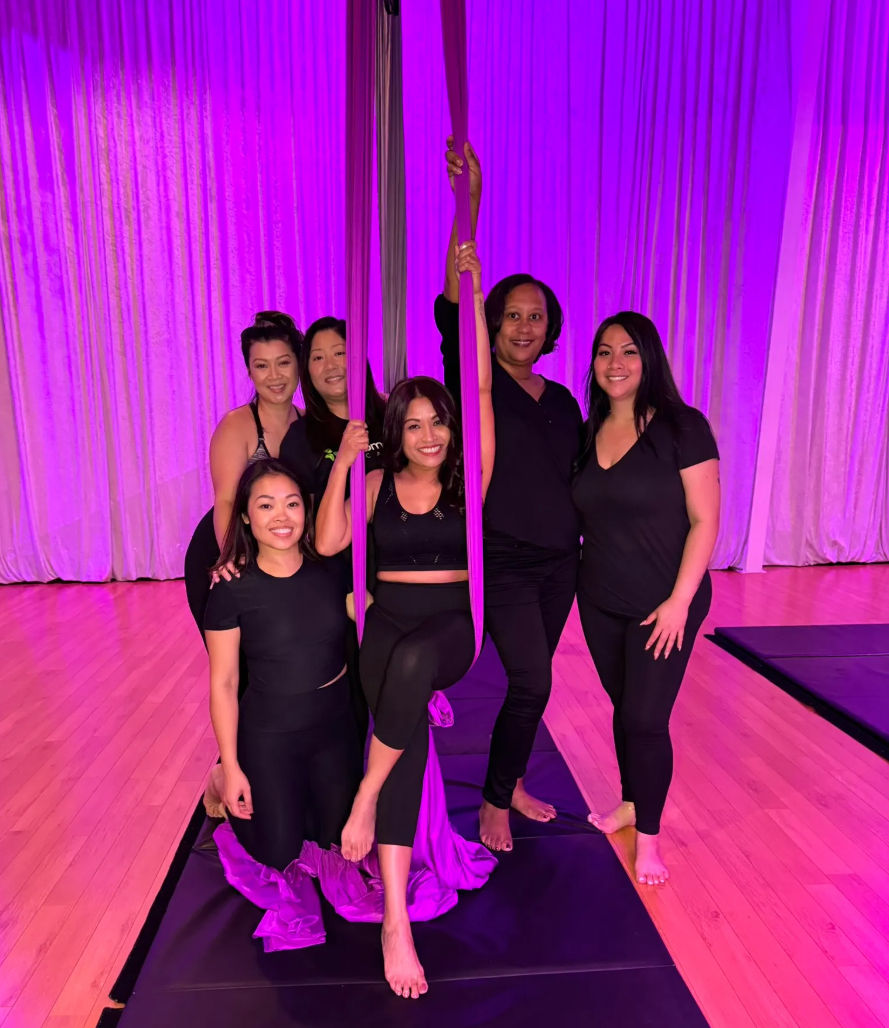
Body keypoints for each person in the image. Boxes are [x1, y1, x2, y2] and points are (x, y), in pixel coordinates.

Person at [315, 241, 494, 1000]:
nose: (428, 435)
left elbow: (481, 385)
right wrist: (340, 465)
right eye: (414, 424)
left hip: (452, 622)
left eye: (437, 423)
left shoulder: (468, 475)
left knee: (416, 667)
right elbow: (327, 541)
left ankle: (363, 797)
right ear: (397, 428)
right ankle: (396, 920)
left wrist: (471, 286)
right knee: (404, 721)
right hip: (386, 621)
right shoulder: (379, 478)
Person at [438, 140, 583, 852]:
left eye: (536, 317)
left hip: (562, 563)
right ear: (491, 323)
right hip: (501, 560)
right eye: (512, 315)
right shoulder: (471, 378)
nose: (525, 326)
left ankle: (514, 779)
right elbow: (449, 299)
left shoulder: (561, 398)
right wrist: (470, 204)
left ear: (548, 328)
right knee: (530, 678)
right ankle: (495, 801)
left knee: (534, 684)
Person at [571, 312, 720, 885]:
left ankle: (650, 839)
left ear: (649, 358)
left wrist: (681, 601)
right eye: (604, 352)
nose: (615, 364)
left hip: (665, 601)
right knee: (624, 707)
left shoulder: (683, 427)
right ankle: (633, 801)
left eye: (628, 352)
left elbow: (705, 521)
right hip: (601, 598)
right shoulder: (590, 431)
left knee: (645, 717)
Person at [204, 458, 362, 872]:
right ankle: (217, 777)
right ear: (245, 515)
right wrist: (233, 765)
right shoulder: (230, 587)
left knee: (334, 846)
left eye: (292, 504)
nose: (281, 517)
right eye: (266, 505)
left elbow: (371, 618)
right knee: (279, 855)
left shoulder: (330, 568)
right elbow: (224, 682)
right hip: (270, 733)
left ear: (306, 511)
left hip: (334, 727)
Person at [184, 313, 303, 637]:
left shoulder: (308, 423)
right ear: (249, 371)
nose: (274, 376)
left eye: (283, 363)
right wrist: (232, 560)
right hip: (229, 545)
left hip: (279, 550)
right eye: (262, 366)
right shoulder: (237, 425)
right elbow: (225, 501)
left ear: (299, 364)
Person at [279, 316, 386, 498]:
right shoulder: (299, 439)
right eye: (318, 357)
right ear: (307, 371)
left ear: (358, 359)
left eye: (339, 353)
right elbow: (301, 515)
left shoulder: (391, 417)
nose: (330, 366)